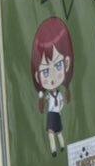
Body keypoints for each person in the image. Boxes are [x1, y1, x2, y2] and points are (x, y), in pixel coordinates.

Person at [30, 17, 73, 156]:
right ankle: (53, 150)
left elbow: (61, 103)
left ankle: (62, 146)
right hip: (50, 115)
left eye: (58, 65)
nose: (53, 77)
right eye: (46, 72)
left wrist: (59, 109)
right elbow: (45, 103)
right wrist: (42, 97)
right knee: (50, 132)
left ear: (66, 63)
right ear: (38, 76)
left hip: (57, 114)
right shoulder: (48, 96)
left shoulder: (59, 95)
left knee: (59, 132)